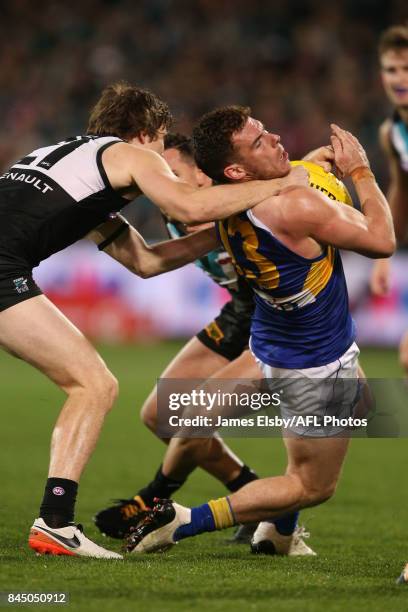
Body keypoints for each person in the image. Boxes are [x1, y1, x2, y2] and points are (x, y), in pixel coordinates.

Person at [0, 82, 306, 559]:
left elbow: (146, 263)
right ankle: (56, 521)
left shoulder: (73, 163)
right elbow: (184, 207)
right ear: (148, 132)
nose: (165, 157)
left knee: (99, 387)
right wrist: (283, 184)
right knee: (94, 386)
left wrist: (221, 231)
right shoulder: (132, 154)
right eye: (164, 142)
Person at [124, 107, 395, 554]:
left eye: (266, 130)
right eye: (258, 142)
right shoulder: (296, 205)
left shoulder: (223, 207)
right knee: (310, 485)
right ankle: (184, 521)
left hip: (267, 347)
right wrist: (361, 170)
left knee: (361, 402)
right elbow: (382, 240)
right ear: (234, 169)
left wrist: (308, 167)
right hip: (315, 364)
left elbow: (158, 258)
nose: (273, 139)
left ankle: (278, 533)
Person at [94, 132, 315, 554]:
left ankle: (172, 500)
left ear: (204, 173)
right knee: (162, 412)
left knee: (199, 416)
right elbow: (150, 261)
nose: (163, 184)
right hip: (240, 313)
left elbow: (291, 176)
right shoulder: (175, 211)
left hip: (280, 318)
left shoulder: (239, 197)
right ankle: (255, 496)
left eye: (172, 173)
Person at [370, 25, 408, 378]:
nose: (399, 78)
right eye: (392, 69)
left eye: (407, 69)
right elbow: (401, 188)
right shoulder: (392, 133)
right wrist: (385, 254)